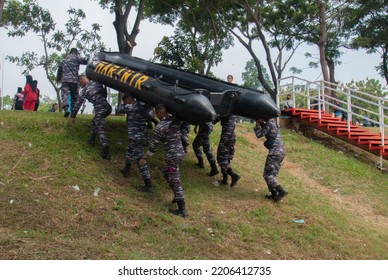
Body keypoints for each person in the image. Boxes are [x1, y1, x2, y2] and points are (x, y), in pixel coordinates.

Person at [144, 104, 187, 218]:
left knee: (175, 180)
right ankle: (177, 196)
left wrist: (146, 156)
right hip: (180, 154)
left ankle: (182, 209)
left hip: (172, 156)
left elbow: (153, 145)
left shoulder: (161, 127)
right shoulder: (175, 120)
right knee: (166, 173)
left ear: (158, 113)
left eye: (156, 113)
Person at [118, 92, 157, 193]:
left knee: (140, 160)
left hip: (136, 138)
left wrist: (125, 103)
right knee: (129, 150)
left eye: (125, 101)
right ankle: (126, 169)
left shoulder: (132, 107)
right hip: (140, 137)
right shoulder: (142, 106)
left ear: (128, 100)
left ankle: (148, 185)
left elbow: (119, 109)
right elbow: (149, 112)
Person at [71, 75, 112, 160]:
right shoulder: (96, 83)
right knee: (95, 121)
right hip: (108, 107)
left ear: (82, 80)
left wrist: (73, 116)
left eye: (80, 82)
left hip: (100, 108)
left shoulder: (84, 90)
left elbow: (79, 103)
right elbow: (104, 94)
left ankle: (106, 153)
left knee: (101, 129)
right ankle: (92, 140)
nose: (80, 84)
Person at [254, 118, 288, 202]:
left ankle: (280, 190)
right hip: (280, 152)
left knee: (268, 175)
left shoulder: (269, 123)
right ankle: (273, 194)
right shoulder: (273, 122)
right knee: (271, 175)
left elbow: (259, 135)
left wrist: (257, 124)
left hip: (275, 152)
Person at [56, 48, 88, 118]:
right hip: (74, 81)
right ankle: (73, 113)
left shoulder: (64, 59)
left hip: (65, 80)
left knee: (65, 95)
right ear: (76, 52)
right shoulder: (76, 57)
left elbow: (59, 70)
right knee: (74, 97)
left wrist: (58, 79)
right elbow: (85, 61)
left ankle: (66, 109)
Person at [216, 115, 240, 187]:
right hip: (232, 135)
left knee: (221, 158)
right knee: (226, 157)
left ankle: (233, 175)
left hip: (227, 135)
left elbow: (215, 119)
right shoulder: (232, 110)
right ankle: (225, 179)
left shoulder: (227, 109)